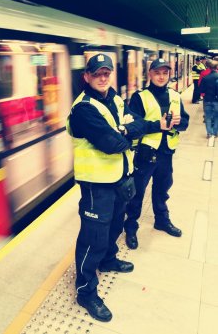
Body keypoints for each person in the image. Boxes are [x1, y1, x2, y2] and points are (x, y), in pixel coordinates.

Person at [67, 53, 146, 322]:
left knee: (115, 225)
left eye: (106, 73)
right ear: (86, 77)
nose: (103, 78)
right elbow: (113, 143)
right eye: (97, 73)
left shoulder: (114, 97)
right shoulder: (83, 110)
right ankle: (85, 291)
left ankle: (108, 259)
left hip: (119, 178)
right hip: (95, 186)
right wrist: (126, 132)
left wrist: (126, 130)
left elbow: (137, 122)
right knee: (93, 237)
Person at [124, 58, 190, 250]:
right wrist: (157, 126)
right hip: (145, 153)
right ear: (150, 74)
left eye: (165, 73)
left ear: (169, 75)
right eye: (157, 73)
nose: (161, 76)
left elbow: (185, 123)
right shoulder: (139, 97)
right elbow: (133, 127)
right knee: (137, 192)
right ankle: (130, 226)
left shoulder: (175, 96)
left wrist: (178, 122)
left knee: (162, 189)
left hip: (166, 153)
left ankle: (162, 220)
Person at [199, 61, 218, 138]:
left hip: (207, 100)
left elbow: (201, 90)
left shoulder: (205, 78)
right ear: (216, 67)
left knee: (208, 117)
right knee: (217, 117)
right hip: (217, 101)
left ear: (209, 68)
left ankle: (209, 133)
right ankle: (215, 132)